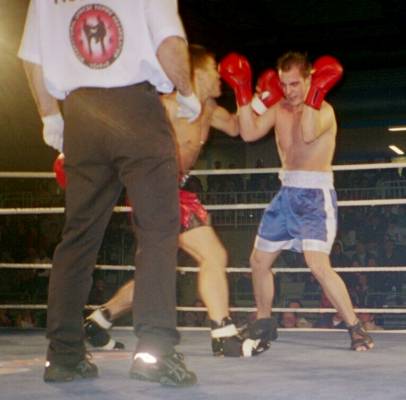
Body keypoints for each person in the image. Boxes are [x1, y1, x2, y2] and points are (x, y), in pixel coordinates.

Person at [19, 0, 201, 386]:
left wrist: (50, 116)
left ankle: (64, 356)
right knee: (156, 233)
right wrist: (187, 92)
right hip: (136, 110)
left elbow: (32, 58)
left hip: (81, 114)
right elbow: (168, 43)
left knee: (78, 237)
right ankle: (155, 354)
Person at [71, 44, 276, 357]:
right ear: (196, 73)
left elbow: (237, 127)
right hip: (155, 189)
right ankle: (223, 334)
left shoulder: (210, 110)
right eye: (213, 69)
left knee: (157, 272)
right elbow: (125, 134)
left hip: (177, 191)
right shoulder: (167, 106)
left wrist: (255, 98)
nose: (220, 76)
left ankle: (99, 320)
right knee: (214, 255)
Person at [219, 51, 374, 351]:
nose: (288, 91)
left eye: (294, 84)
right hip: (286, 194)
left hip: (315, 196)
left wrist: (314, 94)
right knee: (258, 261)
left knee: (318, 265)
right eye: (283, 84)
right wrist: (242, 92)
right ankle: (264, 322)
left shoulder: (324, 110)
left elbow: (308, 133)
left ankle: (356, 327)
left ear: (310, 80)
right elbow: (248, 133)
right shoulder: (279, 108)